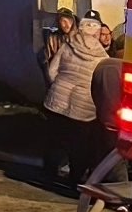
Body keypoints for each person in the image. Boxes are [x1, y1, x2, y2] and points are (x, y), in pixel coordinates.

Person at [42, 10, 106, 186]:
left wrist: (60, 85)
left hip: (56, 101)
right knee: (79, 146)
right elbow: (101, 86)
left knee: (54, 140)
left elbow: (51, 71)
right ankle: (74, 180)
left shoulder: (68, 45)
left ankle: (49, 175)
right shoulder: (102, 58)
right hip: (83, 110)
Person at [89, 34, 132, 194]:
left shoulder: (102, 66)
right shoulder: (127, 68)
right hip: (129, 123)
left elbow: (95, 92)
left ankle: (121, 194)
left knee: (116, 160)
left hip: (107, 121)